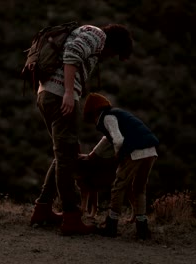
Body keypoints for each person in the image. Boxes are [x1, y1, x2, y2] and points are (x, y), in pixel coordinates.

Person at [30, 24, 133, 236]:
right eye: (114, 53)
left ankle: (42, 209)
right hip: (60, 95)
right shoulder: (97, 35)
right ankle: (71, 218)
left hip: (47, 94)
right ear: (112, 44)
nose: (109, 57)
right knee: (67, 159)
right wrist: (68, 92)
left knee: (63, 155)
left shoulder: (87, 35)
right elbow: (72, 53)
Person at [82, 93, 159, 240]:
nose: (93, 121)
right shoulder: (116, 114)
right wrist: (93, 154)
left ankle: (111, 225)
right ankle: (142, 229)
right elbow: (108, 138)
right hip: (151, 151)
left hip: (135, 150)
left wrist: (118, 155)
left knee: (118, 185)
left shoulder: (107, 118)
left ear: (95, 111)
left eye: (91, 116)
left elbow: (117, 140)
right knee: (139, 188)